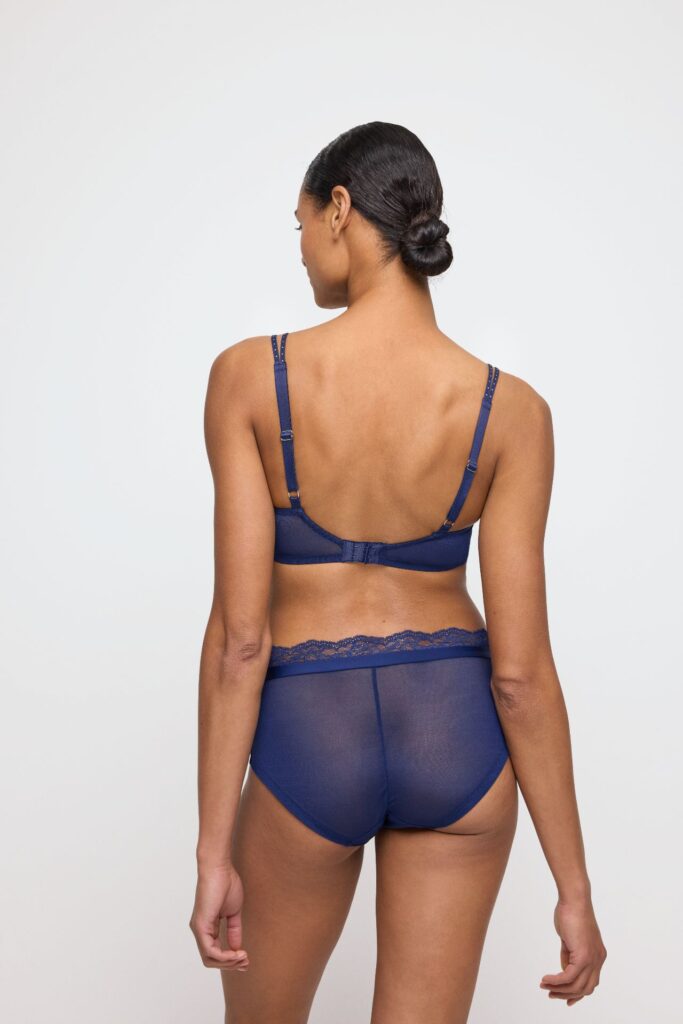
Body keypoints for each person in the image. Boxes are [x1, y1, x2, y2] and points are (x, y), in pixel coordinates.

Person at [189, 122, 607, 1023]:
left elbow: (239, 641)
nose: (302, 247)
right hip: (456, 739)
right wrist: (572, 887)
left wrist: (212, 851)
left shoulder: (250, 379)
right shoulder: (512, 412)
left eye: (301, 223)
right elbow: (521, 675)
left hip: (313, 730)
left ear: (339, 209)